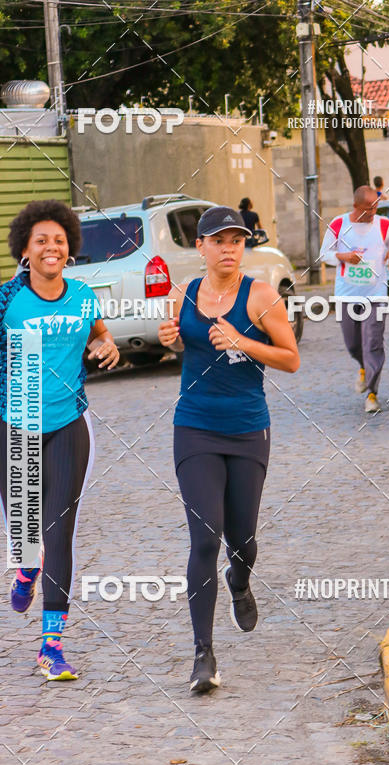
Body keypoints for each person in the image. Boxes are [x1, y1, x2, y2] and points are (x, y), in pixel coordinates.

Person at [0, 199, 119, 680]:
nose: (51, 247)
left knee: (59, 531)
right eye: (41, 240)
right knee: (26, 536)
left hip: (68, 425)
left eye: (59, 239)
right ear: (24, 249)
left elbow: (100, 335)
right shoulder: (3, 300)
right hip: (13, 425)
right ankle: (25, 570)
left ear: (70, 248)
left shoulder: (83, 296)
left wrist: (106, 344)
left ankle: (51, 646)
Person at [158, 205, 299, 694]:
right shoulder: (185, 293)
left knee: (243, 538)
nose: (228, 248)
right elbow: (181, 348)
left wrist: (243, 338)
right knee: (204, 539)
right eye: (218, 240)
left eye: (236, 240)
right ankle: (204, 655)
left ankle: (240, 579)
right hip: (195, 425)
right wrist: (170, 340)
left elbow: (291, 358)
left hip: (246, 429)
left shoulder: (260, 296)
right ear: (200, 247)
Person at [319, 185, 389, 413]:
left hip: (375, 296)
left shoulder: (383, 224)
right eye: (367, 209)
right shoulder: (339, 224)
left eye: (375, 208)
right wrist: (343, 257)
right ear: (355, 206)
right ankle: (363, 368)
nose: (372, 213)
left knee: (373, 343)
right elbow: (324, 254)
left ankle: (372, 394)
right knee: (354, 344)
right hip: (347, 296)